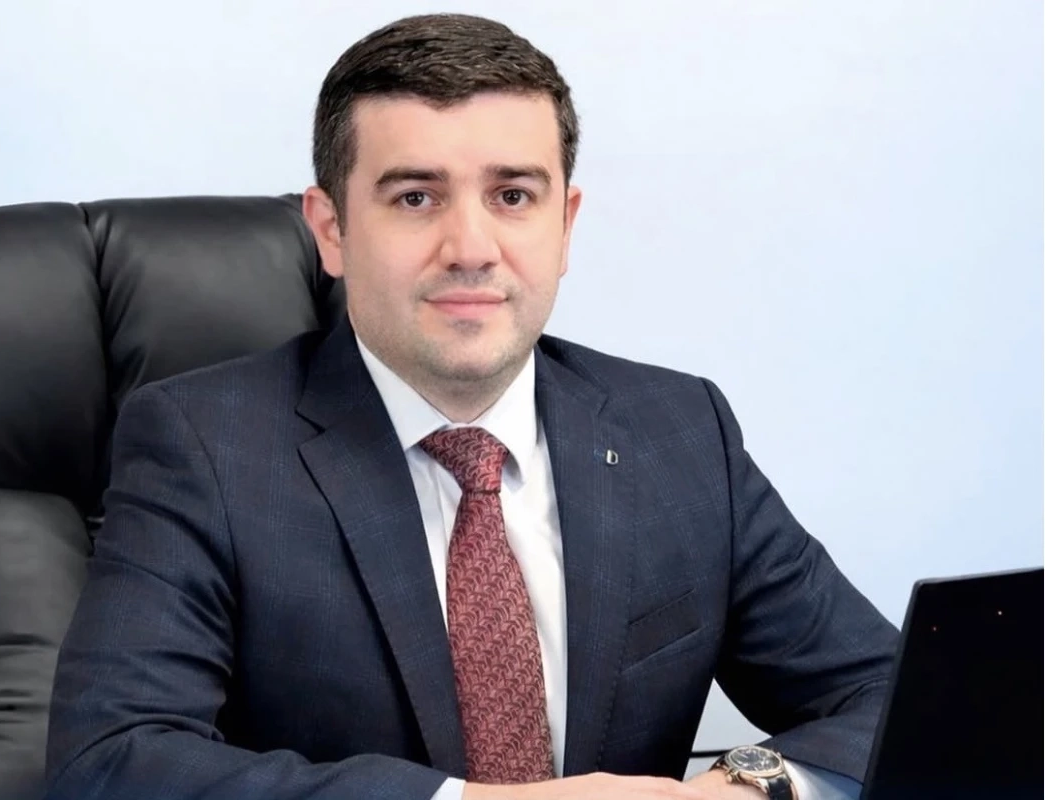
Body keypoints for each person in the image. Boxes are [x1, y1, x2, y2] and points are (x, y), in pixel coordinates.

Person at [45, 13, 898, 800]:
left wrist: (752, 788)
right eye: (415, 197)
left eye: (512, 196)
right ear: (332, 229)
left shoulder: (677, 430)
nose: (471, 249)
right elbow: (112, 761)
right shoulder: (203, 446)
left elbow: (892, 695)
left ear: (565, 225)